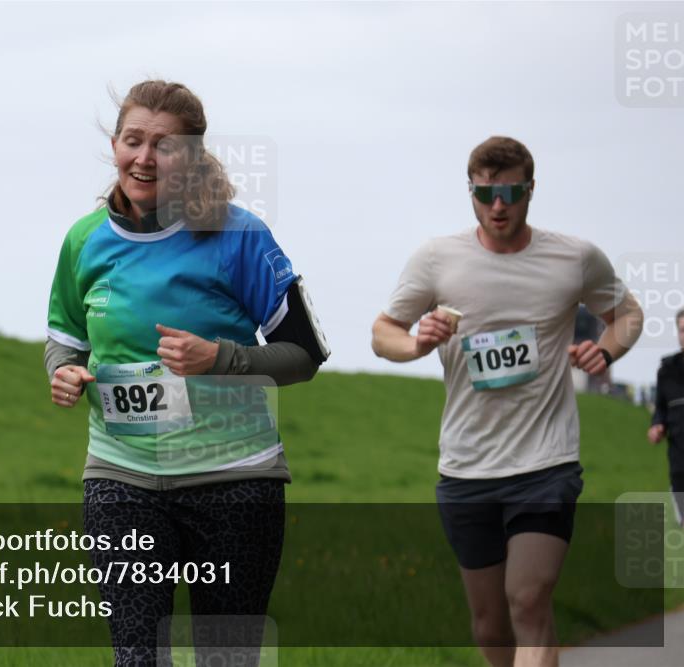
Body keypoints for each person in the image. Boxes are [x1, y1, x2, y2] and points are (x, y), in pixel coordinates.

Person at [45, 80, 328, 666]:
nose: (145, 159)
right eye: (133, 141)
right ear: (115, 145)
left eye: (165, 146)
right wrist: (65, 372)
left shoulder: (239, 234)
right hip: (120, 477)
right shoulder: (83, 241)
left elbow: (304, 354)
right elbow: (64, 338)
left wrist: (221, 359)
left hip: (234, 479)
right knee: (137, 658)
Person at [371, 136, 644, 667]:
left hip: (546, 462)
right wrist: (416, 344)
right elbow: (383, 331)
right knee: (490, 623)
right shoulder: (437, 259)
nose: (499, 206)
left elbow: (628, 314)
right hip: (467, 466)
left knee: (529, 598)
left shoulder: (573, 257)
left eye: (512, 193)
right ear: (471, 191)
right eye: (486, 194)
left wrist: (605, 350)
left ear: (531, 190)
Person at [647, 308, 684, 526]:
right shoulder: (666, 370)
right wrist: (657, 425)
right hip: (679, 459)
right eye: (682, 330)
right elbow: (660, 408)